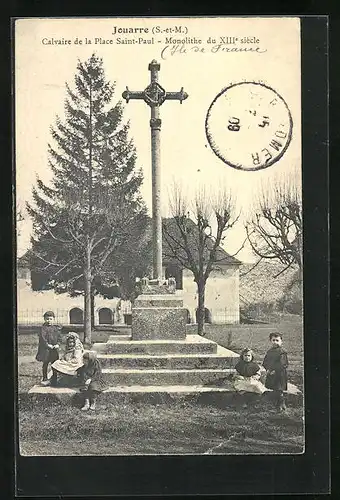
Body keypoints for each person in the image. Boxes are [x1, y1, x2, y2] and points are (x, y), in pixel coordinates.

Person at [262, 332, 289, 412]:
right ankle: (277, 404)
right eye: (273, 340)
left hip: (279, 374)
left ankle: (281, 405)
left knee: (279, 389)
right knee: (274, 388)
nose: (275, 342)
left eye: (277, 340)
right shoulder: (270, 351)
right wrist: (267, 369)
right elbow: (265, 361)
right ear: (270, 341)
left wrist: (274, 370)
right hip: (271, 373)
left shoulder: (282, 352)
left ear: (281, 342)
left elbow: (283, 364)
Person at [35, 310, 62, 386]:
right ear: (44, 319)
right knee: (45, 363)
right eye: (47, 319)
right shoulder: (43, 328)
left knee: (54, 364)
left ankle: (54, 378)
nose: (49, 321)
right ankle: (45, 378)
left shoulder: (55, 328)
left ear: (53, 319)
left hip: (54, 349)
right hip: (46, 349)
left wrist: (58, 344)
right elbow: (42, 339)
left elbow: (59, 337)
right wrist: (48, 345)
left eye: (50, 319)